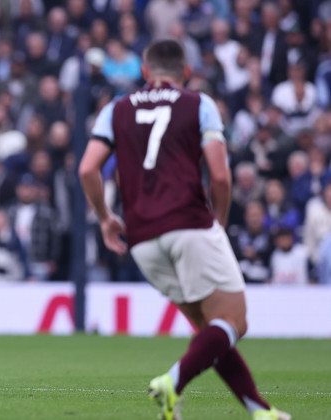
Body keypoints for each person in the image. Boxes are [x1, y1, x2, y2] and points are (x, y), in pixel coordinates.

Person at [78, 39, 289, 420]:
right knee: (235, 321)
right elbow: (221, 177)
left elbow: (87, 168)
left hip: (141, 238)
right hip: (189, 225)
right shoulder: (199, 103)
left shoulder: (116, 108)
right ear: (186, 73)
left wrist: (106, 217)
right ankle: (172, 381)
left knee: (209, 329)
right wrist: (219, 223)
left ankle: (260, 411)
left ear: (145, 72)